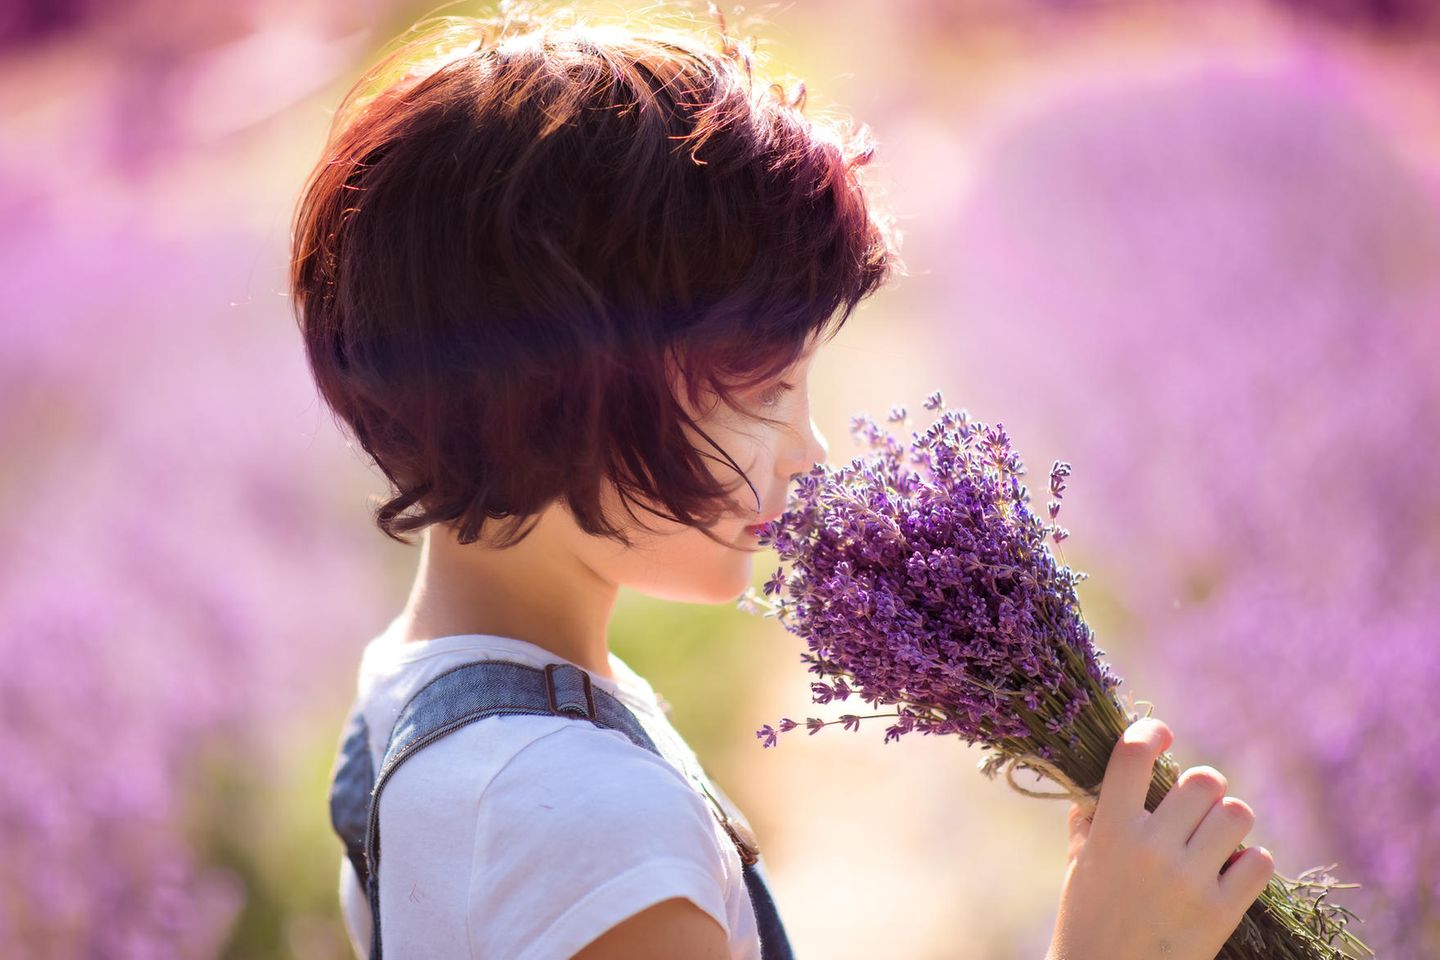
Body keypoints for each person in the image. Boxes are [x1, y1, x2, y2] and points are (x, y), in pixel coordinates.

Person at [288, 4, 1276, 958]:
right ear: (559, 390)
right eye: (767, 390)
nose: (811, 452)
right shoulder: (586, 826)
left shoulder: (416, 689)